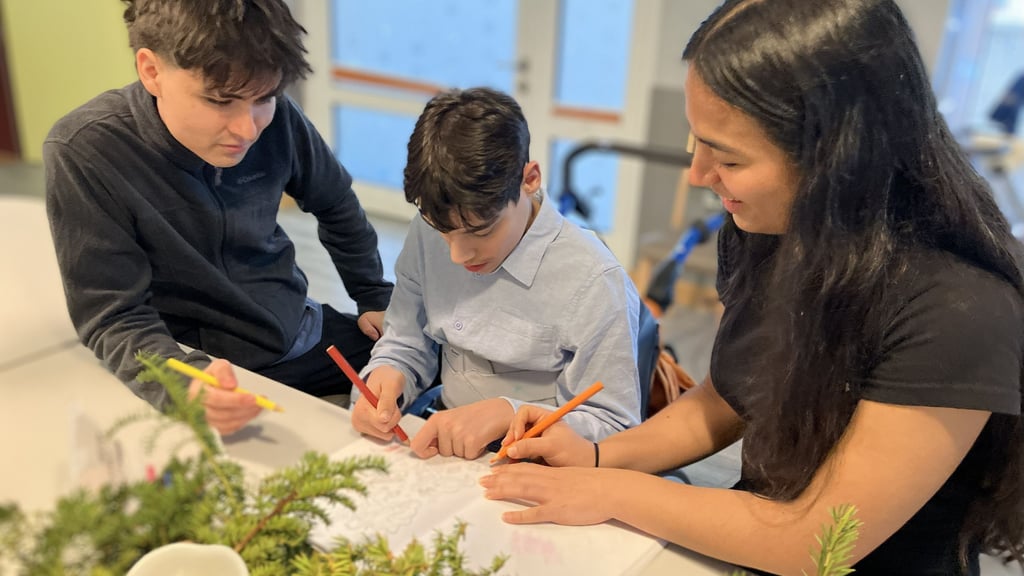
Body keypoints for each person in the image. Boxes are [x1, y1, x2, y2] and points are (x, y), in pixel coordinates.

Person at [479, 1, 1024, 574]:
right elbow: (728, 397)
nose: (698, 174)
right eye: (698, 142)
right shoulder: (772, 225)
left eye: (730, 158)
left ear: (837, 159)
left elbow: (815, 541)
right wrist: (595, 458)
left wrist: (614, 492)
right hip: (747, 541)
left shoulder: (961, 310)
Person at [43, 0, 393, 436]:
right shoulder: (86, 149)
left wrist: (373, 294)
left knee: (431, 366)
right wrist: (184, 386)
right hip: (203, 368)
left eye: (264, 98)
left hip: (299, 331)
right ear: (151, 71)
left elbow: (336, 202)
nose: (247, 128)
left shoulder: (277, 118)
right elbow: (114, 317)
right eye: (220, 100)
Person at [349, 87, 644, 460]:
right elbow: (405, 339)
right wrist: (388, 376)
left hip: (537, 468)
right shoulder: (429, 228)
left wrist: (511, 413)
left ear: (530, 179)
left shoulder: (594, 280)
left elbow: (614, 425)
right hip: (443, 448)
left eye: (481, 231)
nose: (458, 255)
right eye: (444, 232)